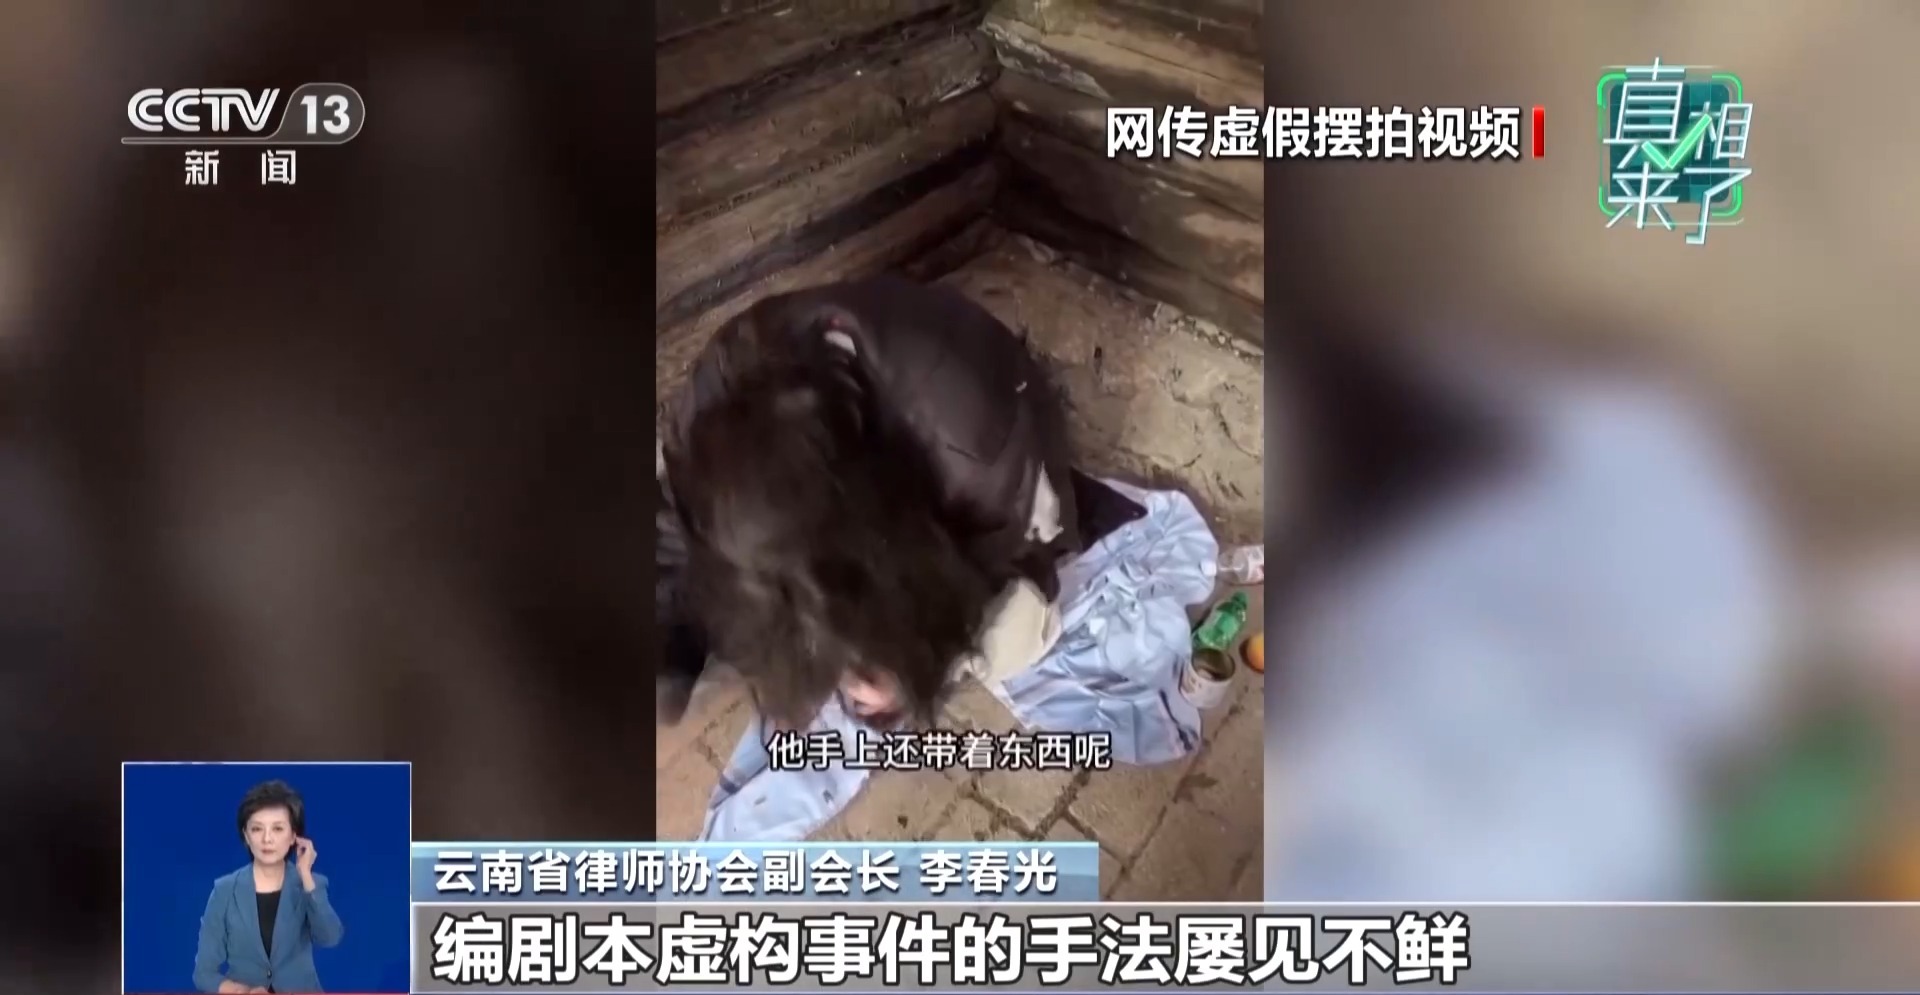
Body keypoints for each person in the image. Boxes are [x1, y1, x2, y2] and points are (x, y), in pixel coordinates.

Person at [657, 275, 1144, 730]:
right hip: (877, 460)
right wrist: (664, 645)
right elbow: (675, 518)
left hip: (983, 429)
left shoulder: (980, 457)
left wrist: (912, 669)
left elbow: (1021, 563)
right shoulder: (712, 400)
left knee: (1014, 632)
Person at [193, 781, 344, 994]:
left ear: (294, 836)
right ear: (246, 835)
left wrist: (306, 876)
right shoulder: (224, 891)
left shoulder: (310, 884)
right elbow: (203, 973)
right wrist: (244, 992)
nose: (267, 839)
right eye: (257, 829)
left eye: (278, 828)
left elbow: (330, 938)